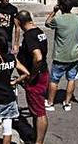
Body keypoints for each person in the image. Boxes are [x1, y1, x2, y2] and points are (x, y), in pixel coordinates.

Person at [44, 0, 78, 112]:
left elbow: (47, 23)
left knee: (54, 80)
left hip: (60, 56)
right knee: (71, 79)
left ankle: (50, 102)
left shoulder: (58, 20)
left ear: (60, 6)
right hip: (74, 55)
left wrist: (54, 11)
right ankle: (67, 103)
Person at [16, 10, 49, 144]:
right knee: (36, 110)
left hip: (37, 77)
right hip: (43, 73)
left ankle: (38, 142)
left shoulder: (29, 36)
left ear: (19, 22)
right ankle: (36, 137)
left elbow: (38, 57)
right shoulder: (39, 31)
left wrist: (31, 75)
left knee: (39, 111)